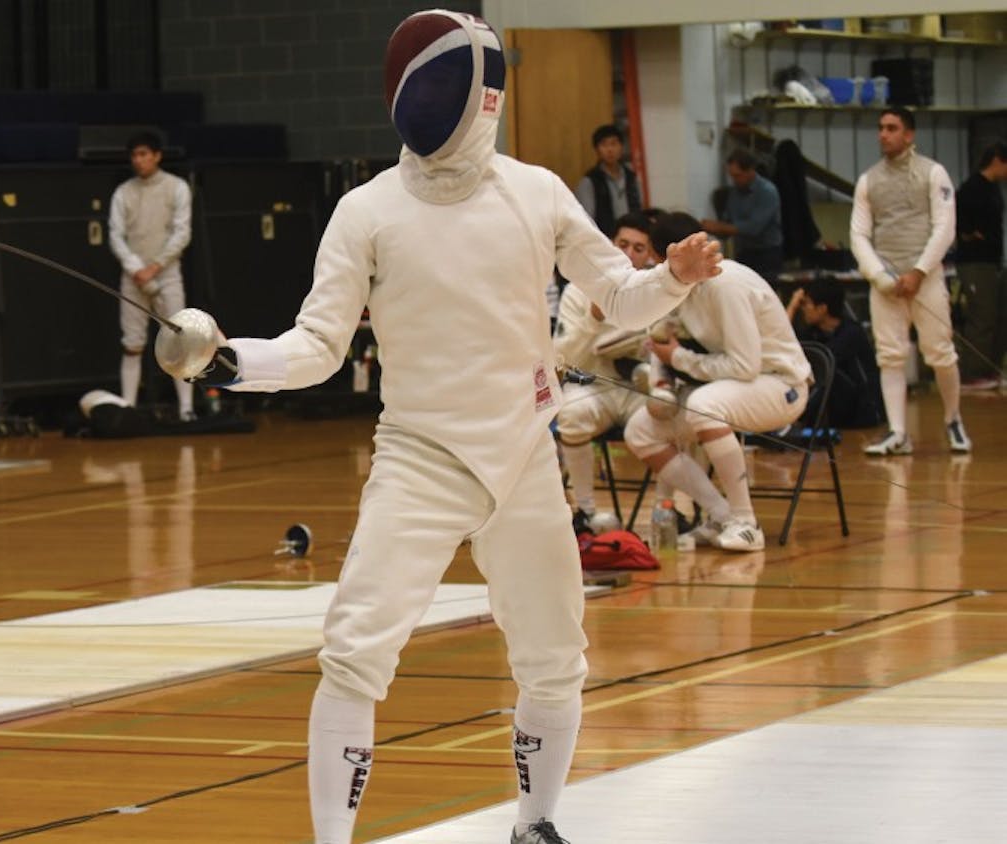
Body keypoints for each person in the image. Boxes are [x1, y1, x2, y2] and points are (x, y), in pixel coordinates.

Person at [160, 12, 722, 843]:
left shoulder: (535, 192)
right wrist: (229, 363)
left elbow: (621, 296)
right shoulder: (368, 211)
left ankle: (536, 826)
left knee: (555, 659)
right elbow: (317, 346)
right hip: (421, 459)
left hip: (526, 453)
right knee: (354, 656)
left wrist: (670, 277)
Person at [623, 213, 811, 552]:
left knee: (703, 405)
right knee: (641, 429)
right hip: (734, 388)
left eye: (652, 255)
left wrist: (680, 360)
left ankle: (746, 523)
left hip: (781, 386)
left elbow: (744, 366)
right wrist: (660, 383)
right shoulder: (678, 285)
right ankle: (721, 515)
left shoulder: (727, 284)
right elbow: (660, 337)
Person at [850, 107, 970, 455]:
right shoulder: (868, 180)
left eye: (892, 128)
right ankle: (898, 433)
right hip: (886, 285)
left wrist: (918, 271)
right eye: (880, 128)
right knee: (890, 356)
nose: (883, 134)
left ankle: (953, 420)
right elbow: (858, 234)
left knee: (940, 354)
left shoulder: (934, 174)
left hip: (926, 280)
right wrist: (881, 277)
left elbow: (945, 228)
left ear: (909, 134)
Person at [556, 212, 657, 524]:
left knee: (683, 414)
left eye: (639, 248)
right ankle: (584, 511)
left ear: (650, 255)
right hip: (594, 386)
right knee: (571, 414)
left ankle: (676, 510)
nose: (628, 253)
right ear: (611, 245)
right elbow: (561, 356)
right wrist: (593, 320)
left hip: (640, 389)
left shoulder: (656, 289)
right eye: (623, 244)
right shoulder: (578, 290)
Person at [108, 130, 195, 420]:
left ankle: (186, 409)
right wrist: (137, 269)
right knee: (132, 344)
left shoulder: (176, 187)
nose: (139, 160)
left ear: (157, 156)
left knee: (179, 342)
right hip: (133, 279)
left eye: (144, 154)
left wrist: (155, 266)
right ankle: (128, 409)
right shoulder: (123, 192)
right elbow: (116, 236)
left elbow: (182, 232)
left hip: (167, 275)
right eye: (134, 155)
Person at [786, 281, 883, 429]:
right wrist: (792, 307)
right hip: (835, 413)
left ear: (822, 308)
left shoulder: (851, 333)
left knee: (823, 370)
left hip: (862, 413)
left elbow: (819, 366)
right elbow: (783, 344)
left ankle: (789, 421)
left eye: (806, 304)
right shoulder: (813, 332)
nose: (803, 309)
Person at [954, 141, 1007, 390]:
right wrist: (971, 235)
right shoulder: (971, 188)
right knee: (981, 317)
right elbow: (958, 221)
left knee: (996, 316)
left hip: (992, 261)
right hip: (975, 262)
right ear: (997, 160)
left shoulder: (994, 189)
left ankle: (990, 368)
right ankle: (971, 374)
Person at [702, 149, 784, 282]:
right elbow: (728, 222)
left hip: (767, 253)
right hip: (744, 252)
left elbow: (754, 228)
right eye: (732, 176)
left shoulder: (767, 191)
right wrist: (711, 229)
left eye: (738, 175)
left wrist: (719, 227)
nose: (734, 180)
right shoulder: (735, 192)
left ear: (751, 170)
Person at [575, 124, 644, 237]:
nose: (610, 150)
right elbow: (586, 221)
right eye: (604, 145)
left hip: (632, 236)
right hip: (605, 240)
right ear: (597, 149)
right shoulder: (590, 181)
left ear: (621, 146)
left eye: (614, 144)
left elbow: (640, 208)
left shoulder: (631, 177)